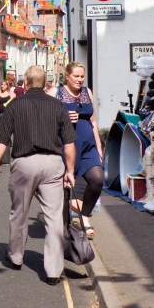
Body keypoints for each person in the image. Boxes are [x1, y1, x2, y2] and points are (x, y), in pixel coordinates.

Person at [0, 66, 76, 285]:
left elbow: (2, 140)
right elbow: (69, 144)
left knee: (19, 211)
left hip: (24, 163)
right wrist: (71, 171)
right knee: (54, 217)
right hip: (52, 164)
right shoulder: (58, 106)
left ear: (25, 83)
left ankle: (16, 257)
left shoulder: (15, 105)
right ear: (46, 84)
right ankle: (54, 271)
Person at [57, 61, 104, 238]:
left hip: (88, 147)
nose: (80, 80)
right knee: (65, 188)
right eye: (76, 76)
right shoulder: (57, 93)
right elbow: (48, 119)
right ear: (67, 76)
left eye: (82, 76)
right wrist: (63, 118)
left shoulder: (87, 92)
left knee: (98, 179)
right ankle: (63, 229)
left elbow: (93, 121)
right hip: (67, 146)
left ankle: (84, 215)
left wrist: (99, 146)